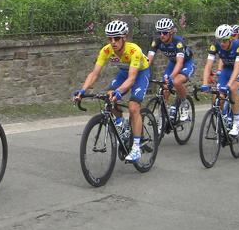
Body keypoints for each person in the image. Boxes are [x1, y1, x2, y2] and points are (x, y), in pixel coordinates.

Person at [75, 20, 150, 162]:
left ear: (124, 38)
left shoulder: (134, 50)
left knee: (134, 107)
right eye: (110, 38)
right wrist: (82, 91)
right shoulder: (106, 50)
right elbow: (94, 73)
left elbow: (132, 79)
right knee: (109, 96)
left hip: (140, 73)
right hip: (123, 72)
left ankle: (136, 148)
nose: (113, 42)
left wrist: (119, 91)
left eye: (116, 38)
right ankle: (121, 124)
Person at [201, 24, 239, 137]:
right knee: (218, 95)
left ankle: (236, 122)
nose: (222, 43)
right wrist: (204, 83)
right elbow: (208, 66)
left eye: (225, 40)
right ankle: (222, 118)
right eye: (220, 40)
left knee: (232, 89)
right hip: (227, 70)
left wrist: (228, 84)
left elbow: (237, 68)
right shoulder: (215, 46)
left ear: (230, 39)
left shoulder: (238, 46)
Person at [146, 17, 194, 122]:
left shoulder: (178, 42)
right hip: (173, 63)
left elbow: (180, 63)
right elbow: (148, 60)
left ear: (171, 32)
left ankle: (184, 104)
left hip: (186, 63)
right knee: (164, 86)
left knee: (176, 82)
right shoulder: (157, 41)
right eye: (159, 33)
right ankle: (164, 112)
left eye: (164, 33)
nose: (161, 35)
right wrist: (142, 72)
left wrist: (171, 77)